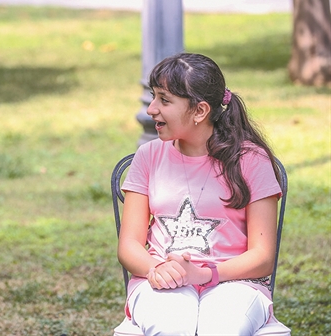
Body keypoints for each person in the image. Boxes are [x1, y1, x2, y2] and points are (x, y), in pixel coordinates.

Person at [116, 53, 290, 335]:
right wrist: (156, 269)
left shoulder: (251, 160)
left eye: (164, 100)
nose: (151, 109)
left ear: (200, 111)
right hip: (160, 282)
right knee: (170, 327)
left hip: (236, 283)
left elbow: (263, 256)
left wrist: (205, 275)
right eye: (153, 96)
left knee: (222, 329)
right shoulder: (148, 156)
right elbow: (128, 245)